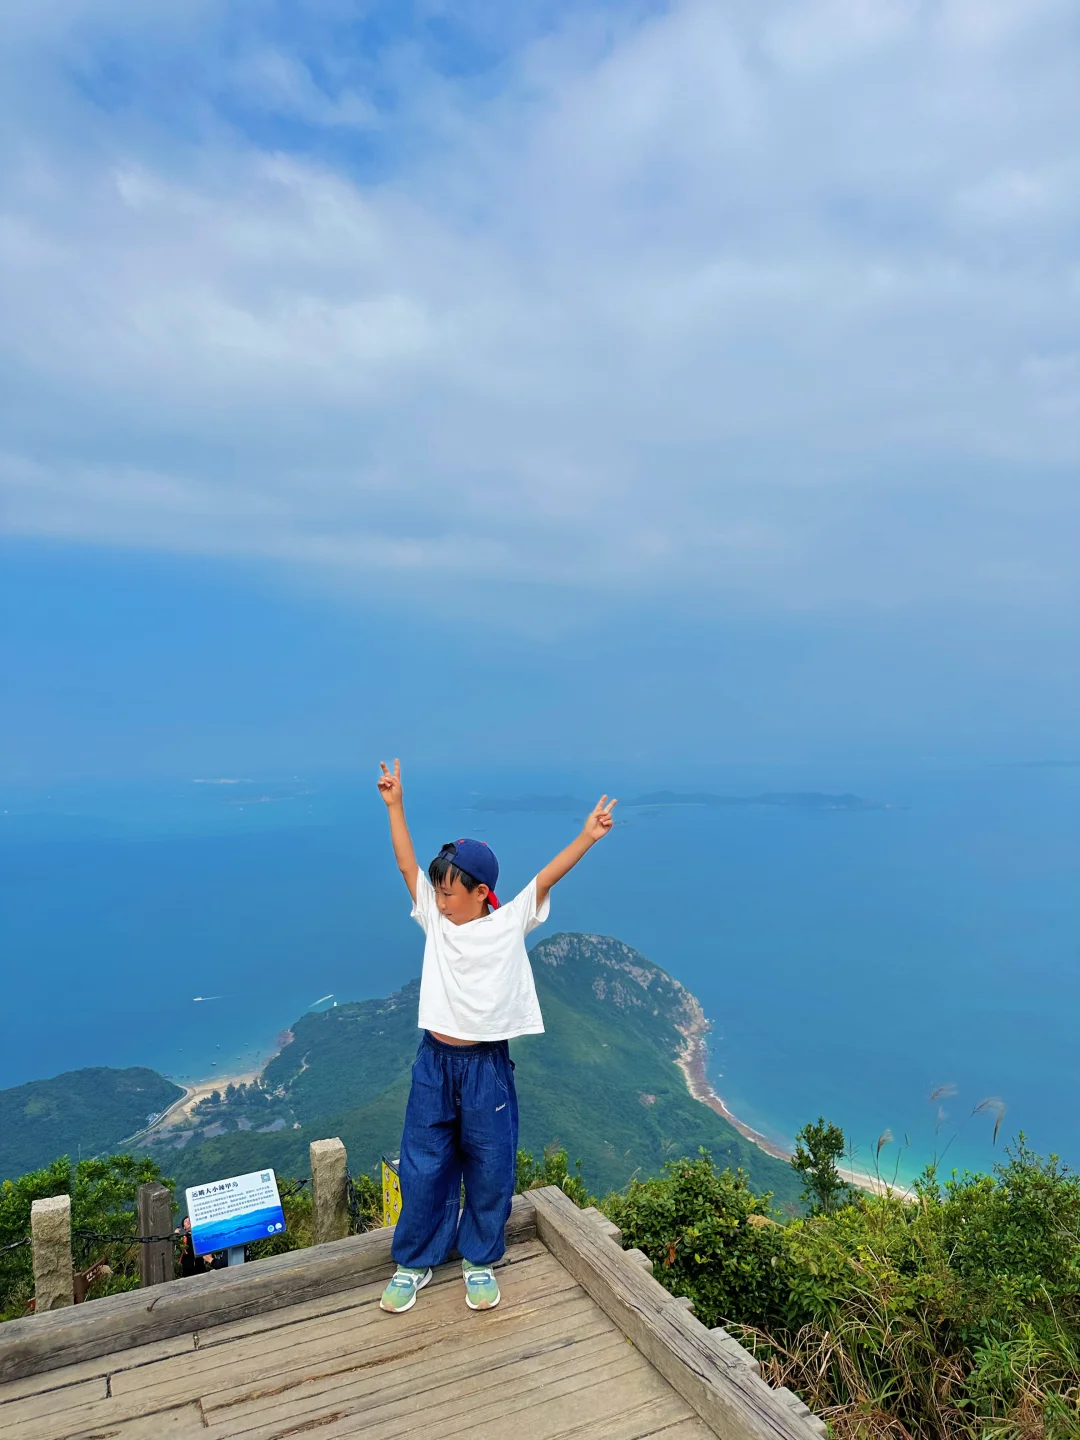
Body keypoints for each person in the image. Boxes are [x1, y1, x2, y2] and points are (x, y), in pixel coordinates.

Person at [376, 758, 616, 1314]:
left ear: (482, 892)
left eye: (450, 893)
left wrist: (587, 836)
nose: (439, 901)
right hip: (434, 1060)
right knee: (424, 1160)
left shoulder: (508, 923)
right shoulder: (433, 921)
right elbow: (404, 862)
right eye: (436, 892)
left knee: (490, 1162)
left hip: (485, 1064)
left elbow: (548, 876)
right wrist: (395, 806)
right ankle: (415, 1261)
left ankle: (480, 1258)